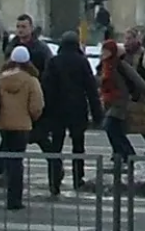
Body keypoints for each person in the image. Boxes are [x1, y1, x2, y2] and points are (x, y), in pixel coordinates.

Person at [42, 32, 103, 196]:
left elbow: (46, 88)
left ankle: (54, 181)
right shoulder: (82, 62)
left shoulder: (54, 61)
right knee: (78, 146)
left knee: (56, 147)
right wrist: (97, 114)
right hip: (77, 109)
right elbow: (91, 90)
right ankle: (78, 177)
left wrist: (44, 112)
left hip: (57, 110)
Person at [0, 46, 46, 210]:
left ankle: (7, 187)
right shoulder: (31, 80)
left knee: (9, 158)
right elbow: (37, 105)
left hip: (3, 124)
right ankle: (15, 199)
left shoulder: (1, 78)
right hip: (22, 125)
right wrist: (31, 118)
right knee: (17, 162)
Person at [99, 37, 145, 161]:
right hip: (109, 102)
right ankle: (122, 153)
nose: (103, 54)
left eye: (106, 51)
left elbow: (136, 79)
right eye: (103, 51)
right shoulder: (103, 66)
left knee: (109, 126)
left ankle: (126, 153)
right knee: (116, 129)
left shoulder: (119, 64)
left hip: (120, 101)